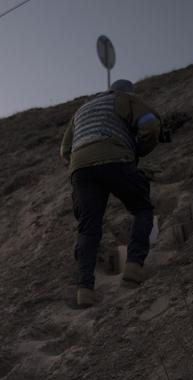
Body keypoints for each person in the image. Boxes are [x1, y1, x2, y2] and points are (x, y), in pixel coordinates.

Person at [60, 78, 163, 307]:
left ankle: (84, 290)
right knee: (142, 209)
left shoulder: (82, 110)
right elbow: (150, 125)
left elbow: (65, 150)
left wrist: (83, 161)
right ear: (128, 91)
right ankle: (134, 268)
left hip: (80, 168)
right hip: (117, 159)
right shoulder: (126, 99)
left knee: (88, 227)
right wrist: (135, 152)